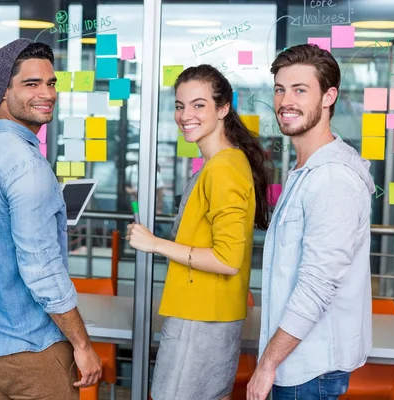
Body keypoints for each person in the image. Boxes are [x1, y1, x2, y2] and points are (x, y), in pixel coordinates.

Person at [0, 38, 101, 400]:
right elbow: (41, 268)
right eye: (31, 83)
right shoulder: (27, 166)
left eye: (51, 83)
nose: (47, 93)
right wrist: (81, 344)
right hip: (31, 350)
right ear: (4, 92)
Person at [126, 64, 270, 400]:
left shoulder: (223, 169)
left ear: (223, 109)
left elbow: (226, 259)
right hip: (205, 317)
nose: (185, 114)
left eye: (198, 104)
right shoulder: (220, 164)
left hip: (201, 321)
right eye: (179, 105)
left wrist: (155, 243)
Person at [247, 44, 375, 400]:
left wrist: (267, 364)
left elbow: (317, 286)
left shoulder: (332, 178)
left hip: (309, 370)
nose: (286, 101)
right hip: (297, 364)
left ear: (328, 97)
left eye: (300, 90)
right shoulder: (307, 170)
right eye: (280, 89)